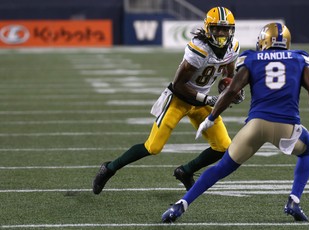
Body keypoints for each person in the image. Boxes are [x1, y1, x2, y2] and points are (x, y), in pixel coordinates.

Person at [162, 22, 309, 223]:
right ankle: (293, 200)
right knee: (307, 150)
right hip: (287, 126)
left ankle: (180, 206)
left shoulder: (251, 58)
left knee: (221, 168)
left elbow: (231, 91)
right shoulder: (300, 58)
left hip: (255, 126)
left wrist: (211, 118)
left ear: (263, 40)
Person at [92, 7, 244, 195]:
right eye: (217, 29)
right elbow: (178, 84)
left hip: (202, 103)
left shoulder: (233, 47)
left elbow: (228, 76)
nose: (221, 33)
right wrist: (208, 98)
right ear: (208, 29)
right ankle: (109, 168)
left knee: (223, 147)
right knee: (153, 147)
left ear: (231, 30)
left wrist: (232, 90)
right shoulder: (199, 49)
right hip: (179, 99)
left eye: (225, 29)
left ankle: (185, 171)